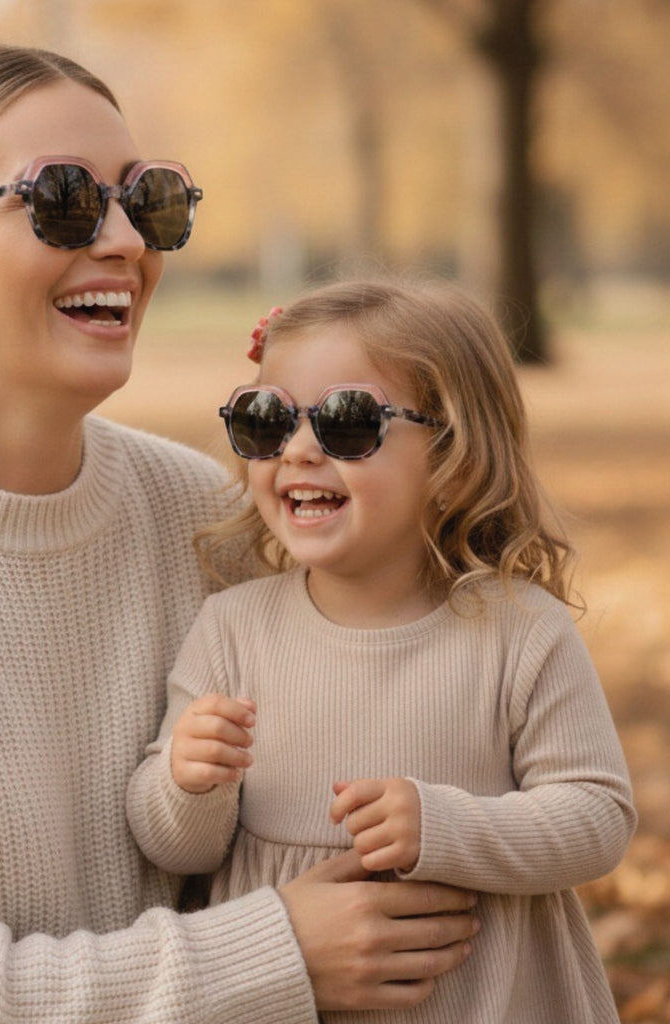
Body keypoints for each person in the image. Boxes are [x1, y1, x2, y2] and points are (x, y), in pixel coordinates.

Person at [0, 47, 479, 1023]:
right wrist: (271, 955)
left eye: (147, 201)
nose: (122, 241)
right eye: (63, 198)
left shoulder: (207, 518)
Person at [127, 279, 637, 1023]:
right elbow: (180, 850)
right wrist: (186, 783)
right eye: (268, 421)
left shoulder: (518, 629)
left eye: (346, 422)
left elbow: (597, 818)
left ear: (454, 457)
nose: (299, 451)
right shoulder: (232, 628)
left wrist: (447, 828)